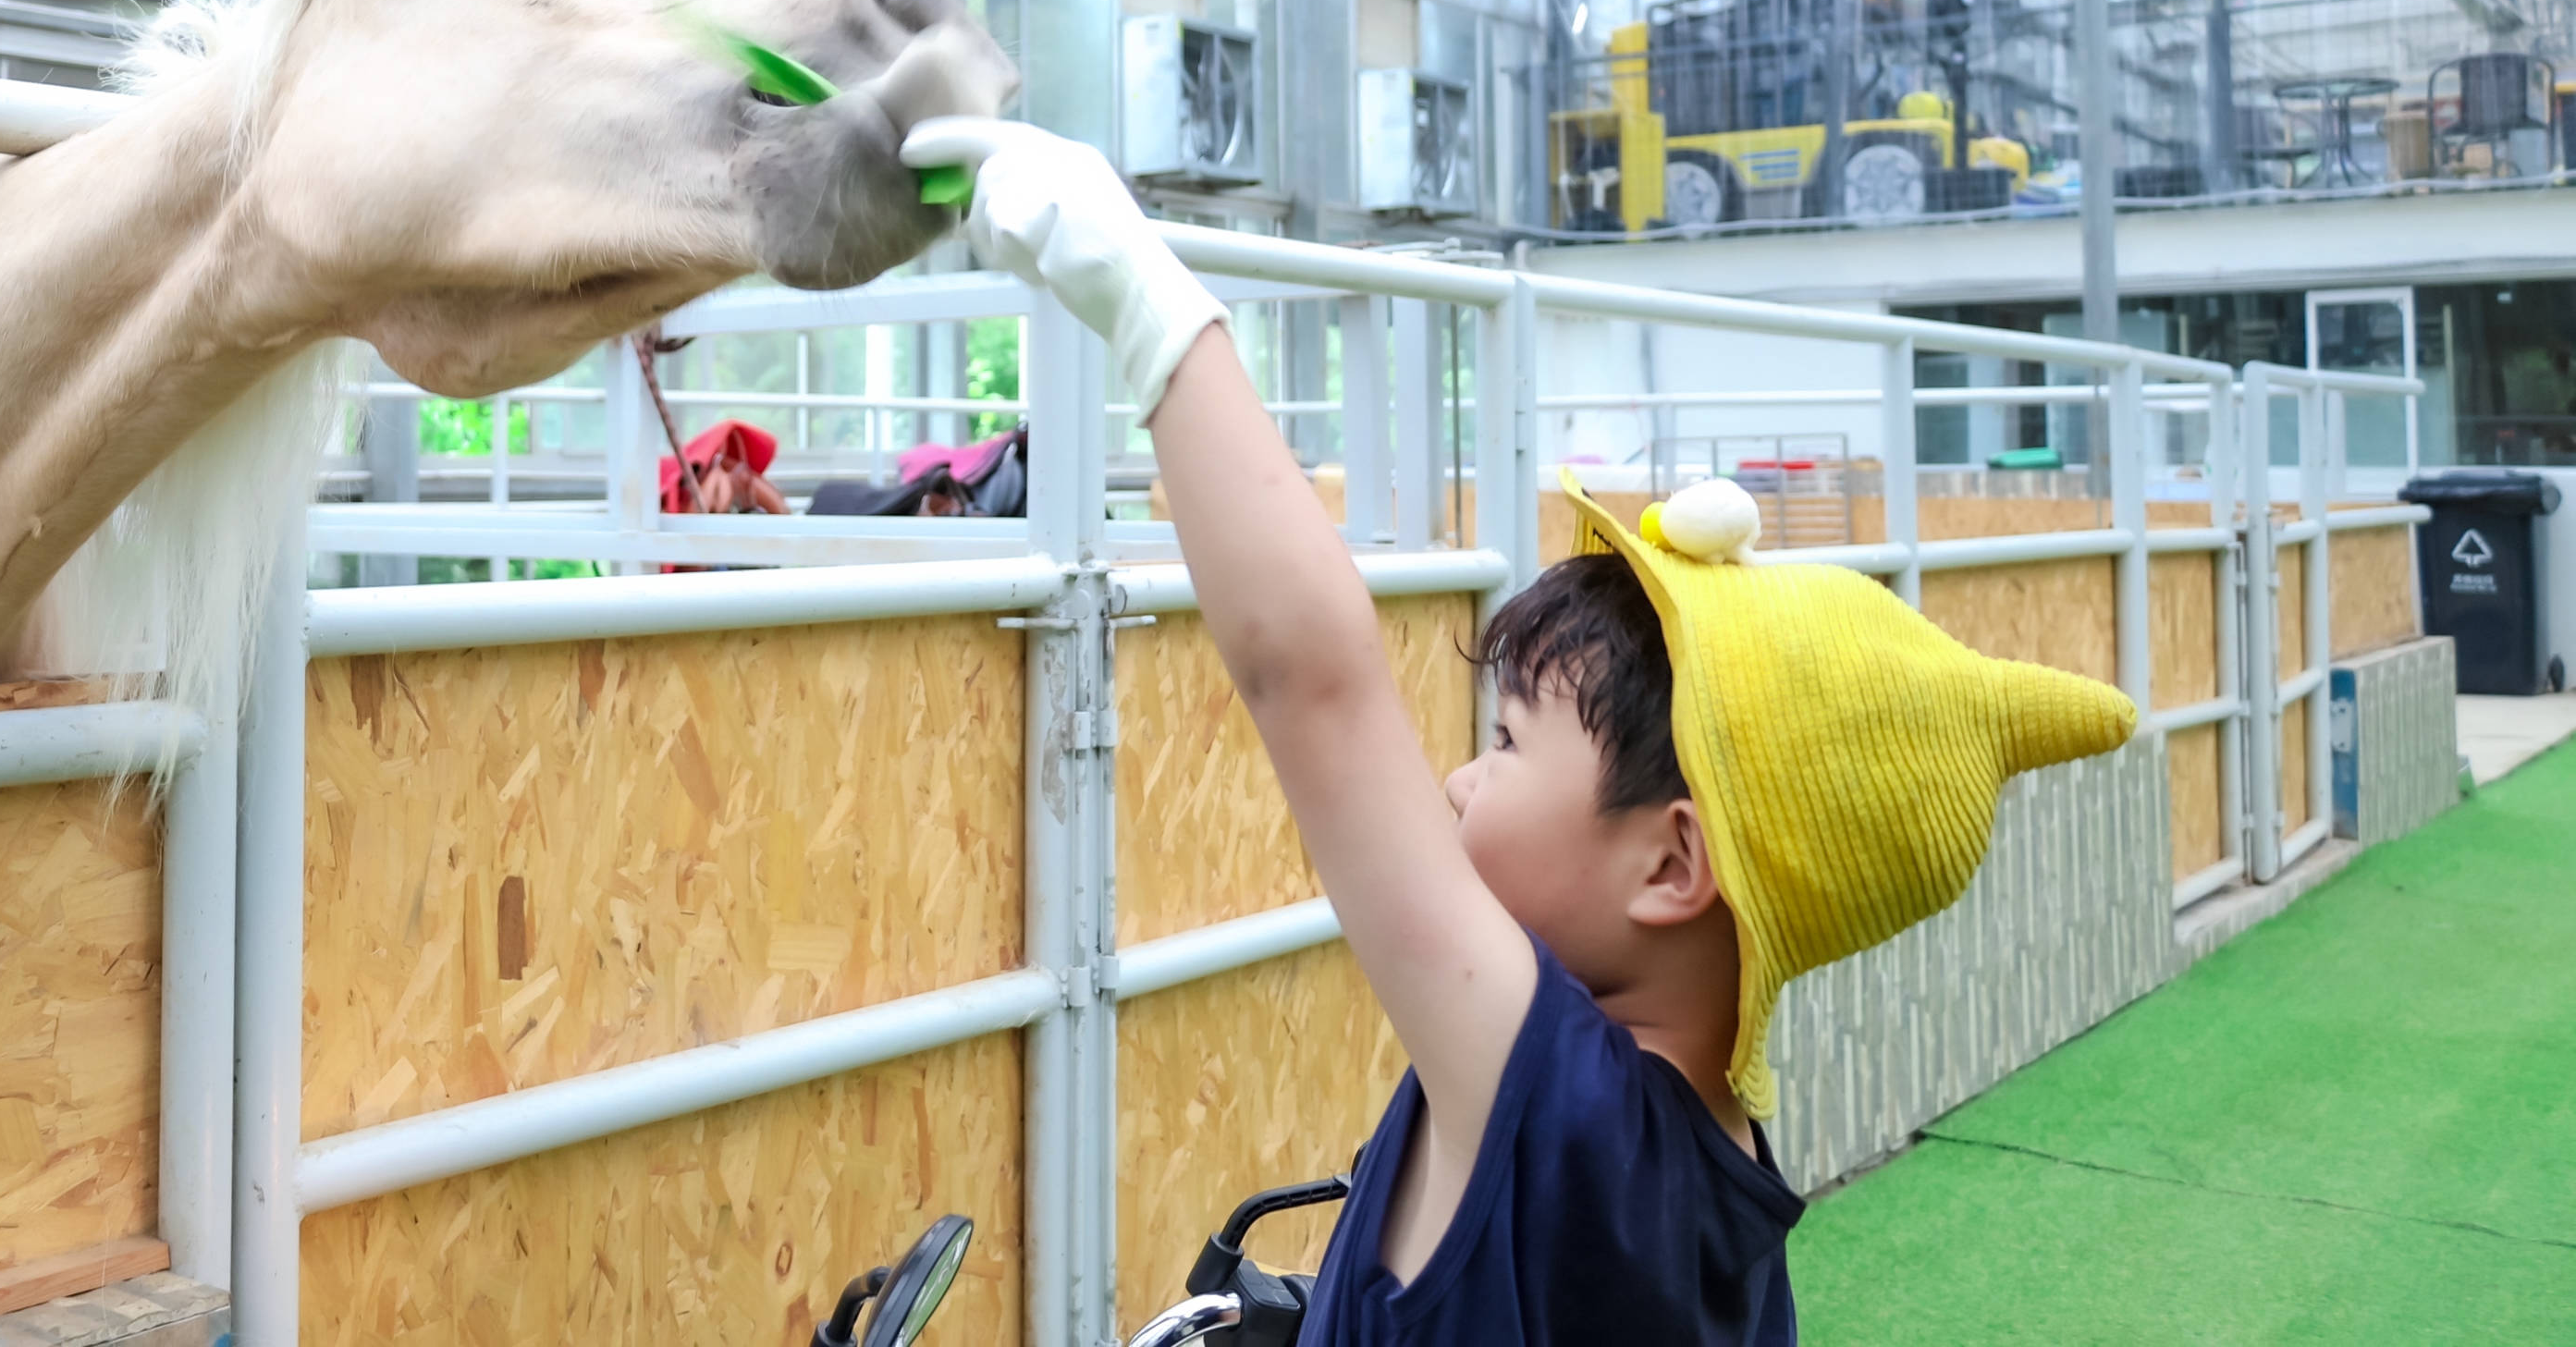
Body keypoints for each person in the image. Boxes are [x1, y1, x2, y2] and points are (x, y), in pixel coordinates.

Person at [901, 117, 2138, 1346]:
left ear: (1671, 864)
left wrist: (1133, 289)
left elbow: (1314, 685)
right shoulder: (1710, 1151)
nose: (1450, 784)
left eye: (1504, 742)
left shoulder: (1573, 1123)